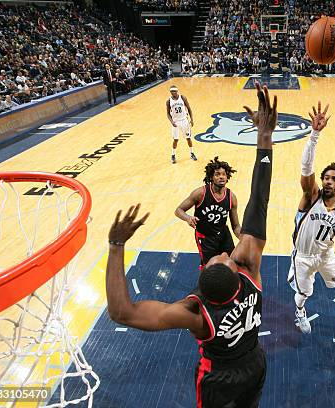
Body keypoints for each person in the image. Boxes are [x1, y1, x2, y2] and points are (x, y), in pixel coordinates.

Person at [105, 82, 277, 407]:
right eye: (226, 259)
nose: (226, 255)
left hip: (220, 378)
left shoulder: (196, 314)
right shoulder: (251, 276)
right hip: (254, 364)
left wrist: (116, 245)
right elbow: (262, 199)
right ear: (239, 274)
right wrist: (264, 138)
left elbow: (122, 313)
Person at [288, 102, 335, 334]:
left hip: (325, 255)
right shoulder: (311, 196)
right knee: (303, 293)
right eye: (326, 177)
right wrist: (314, 134)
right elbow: (306, 168)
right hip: (303, 257)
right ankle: (300, 313)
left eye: (334, 179)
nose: (328, 181)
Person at [175, 157, 241, 268]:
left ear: (227, 176)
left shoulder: (231, 197)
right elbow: (178, 210)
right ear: (211, 177)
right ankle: (205, 285)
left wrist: (244, 238)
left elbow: (236, 226)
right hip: (205, 237)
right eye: (217, 174)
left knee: (231, 263)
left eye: (224, 174)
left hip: (223, 235)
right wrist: (188, 218)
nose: (221, 177)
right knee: (209, 267)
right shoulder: (200, 193)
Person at [166, 85, 196, 163]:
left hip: (184, 120)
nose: (174, 93)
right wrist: (172, 122)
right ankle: (173, 155)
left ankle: (192, 153)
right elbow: (168, 113)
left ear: (177, 91)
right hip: (176, 122)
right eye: (172, 91)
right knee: (175, 139)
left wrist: (192, 119)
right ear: (170, 92)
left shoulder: (183, 98)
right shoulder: (168, 101)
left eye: (175, 91)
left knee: (188, 138)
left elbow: (189, 108)